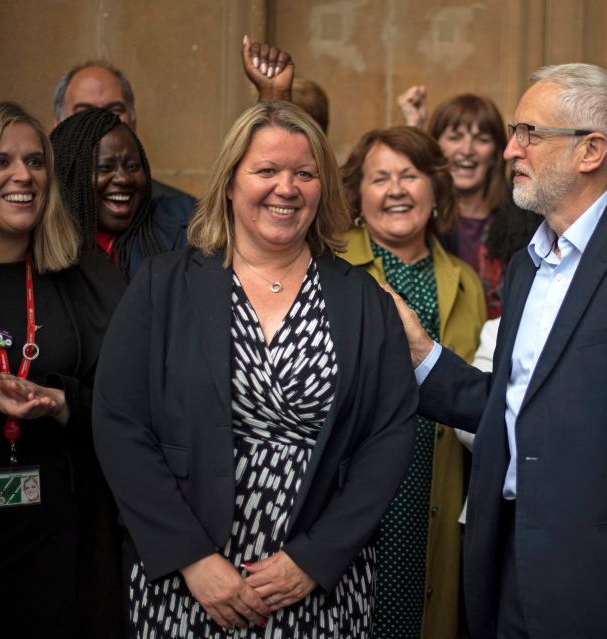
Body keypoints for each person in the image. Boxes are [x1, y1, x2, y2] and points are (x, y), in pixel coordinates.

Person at [391, 63, 607, 638]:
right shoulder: (527, 266)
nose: (510, 150)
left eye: (528, 133)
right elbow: (520, 404)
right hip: (508, 571)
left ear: (591, 151)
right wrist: (422, 356)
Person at [92, 101, 417, 638]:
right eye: (266, 170)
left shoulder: (364, 300)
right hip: (187, 579)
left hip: (319, 583)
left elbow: (389, 436)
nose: (286, 188)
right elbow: (119, 424)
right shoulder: (162, 287)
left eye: (305, 173)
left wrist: (315, 558)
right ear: (229, 183)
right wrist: (192, 558)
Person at [0, 101, 125, 637]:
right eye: (0, 162)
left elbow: (131, 406)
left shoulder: (86, 276)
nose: (22, 175)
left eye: (35, 161)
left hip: (65, 534)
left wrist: (64, 402)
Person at [338, 125, 486, 639]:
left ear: (435, 189)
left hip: (433, 483)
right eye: (380, 178)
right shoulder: (329, 268)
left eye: (410, 175)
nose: (396, 189)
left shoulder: (465, 281)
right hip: (351, 488)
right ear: (358, 194)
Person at [398, 87, 540, 318]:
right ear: (436, 147)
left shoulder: (525, 218)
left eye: (481, 140)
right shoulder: (421, 216)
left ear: (496, 152)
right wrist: (414, 130)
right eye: (455, 138)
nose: (467, 150)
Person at [52, 61, 197, 233]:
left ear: (133, 123)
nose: (101, 122)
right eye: (85, 112)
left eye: (114, 110)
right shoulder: (38, 209)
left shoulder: (184, 215)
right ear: (59, 125)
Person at [51, 107, 178, 276]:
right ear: (72, 177)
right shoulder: (46, 252)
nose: (123, 179)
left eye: (132, 167)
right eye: (105, 168)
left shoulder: (176, 240)